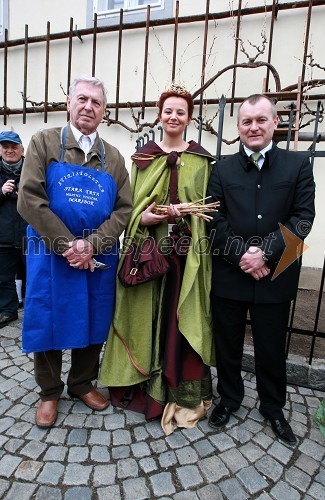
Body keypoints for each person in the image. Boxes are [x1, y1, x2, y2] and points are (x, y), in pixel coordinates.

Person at [99, 82, 215, 435]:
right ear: (159, 115)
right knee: (146, 316)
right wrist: (145, 219)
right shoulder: (143, 159)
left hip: (186, 257)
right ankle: (141, 385)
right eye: (168, 111)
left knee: (178, 318)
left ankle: (177, 388)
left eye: (181, 111)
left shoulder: (201, 159)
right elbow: (131, 208)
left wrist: (186, 215)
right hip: (149, 254)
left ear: (190, 118)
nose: (174, 117)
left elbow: (210, 206)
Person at [17, 76, 132, 428]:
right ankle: (49, 392)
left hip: (97, 258)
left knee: (93, 317)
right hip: (51, 253)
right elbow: (29, 199)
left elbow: (124, 210)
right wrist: (69, 246)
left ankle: (81, 383)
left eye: (96, 103)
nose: (88, 107)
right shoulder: (44, 142)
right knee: (48, 317)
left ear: (104, 111)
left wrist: (91, 246)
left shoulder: (113, 158)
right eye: (82, 99)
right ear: (69, 103)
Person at [206, 94, 315, 445]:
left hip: (276, 273)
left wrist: (265, 253)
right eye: (247, 121)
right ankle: (230, 399)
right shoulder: (220, 169)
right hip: (230, 271)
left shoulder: (297, 166)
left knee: (270, 346)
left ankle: (273, 407)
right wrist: (242, 255)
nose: (253, 127)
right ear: (238, 127)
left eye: (261, 120)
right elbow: (213, 220)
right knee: (228, 344)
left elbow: (303, 219)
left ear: (274, 123)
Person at [0, 131, 26, 328]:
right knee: (3, 276)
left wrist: (22, 195)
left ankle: (32, 308)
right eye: (5, 147)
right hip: (4, 235)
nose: (10, 150)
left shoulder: (32, 169)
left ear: (21, 150)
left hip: (29, 234)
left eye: (13, 147)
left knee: (33, 274)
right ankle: (9, 310)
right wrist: (1, 192)